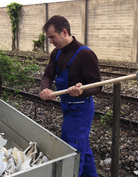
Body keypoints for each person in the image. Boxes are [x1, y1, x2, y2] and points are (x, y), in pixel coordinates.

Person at [39, 15, 102, 177]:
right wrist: (46, 88)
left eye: (52, 37)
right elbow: (48, 75)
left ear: (64, 32)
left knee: (74, 149)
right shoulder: (57, 53)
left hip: (81, 109)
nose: (51, 41)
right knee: (81, 146)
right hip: (67, 107)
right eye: (49, 38)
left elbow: (97, 85)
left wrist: (82, 90)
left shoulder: (85, 54)